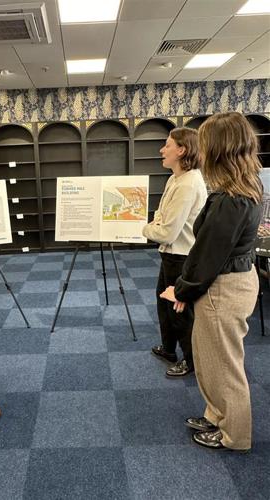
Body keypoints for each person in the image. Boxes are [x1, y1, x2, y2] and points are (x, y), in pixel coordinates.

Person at [161, 112, 262, 451]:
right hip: (223, 284)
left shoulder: (232, 199)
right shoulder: (236, 188)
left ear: (218, 148)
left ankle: (235, 434)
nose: (199, 150)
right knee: (208, 359)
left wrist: (183, 289)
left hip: (225, 288)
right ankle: (216, 414)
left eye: (204, 143)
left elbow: (209, 255)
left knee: (224, 365)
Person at [142, 127, 207, 377]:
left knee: (180, 311)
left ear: (181, 150)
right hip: (170, 254)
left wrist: (143, 228)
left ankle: (190, 361)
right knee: (163, 302)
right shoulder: (175, 178)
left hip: (181, 257)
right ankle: (169, 349)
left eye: (167, 145)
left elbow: (167, 232)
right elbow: (161, 215)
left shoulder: (188, 184)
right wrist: (156, 224)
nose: (162, 149)